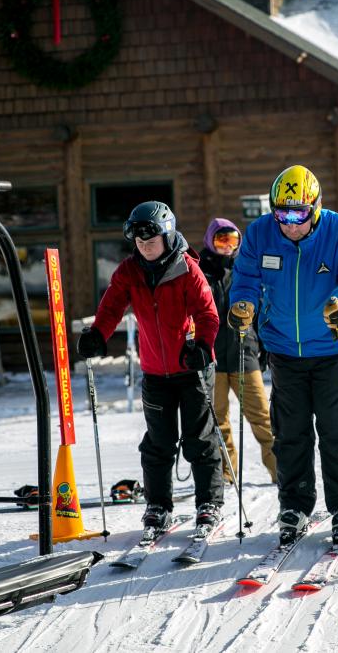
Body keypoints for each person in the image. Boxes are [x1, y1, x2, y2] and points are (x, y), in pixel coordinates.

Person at [229, 165, 338, 545]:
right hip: (282, 349)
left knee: (337, 428)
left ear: (316, 207)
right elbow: (245, 278)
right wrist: (243, 304)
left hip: (332, 347)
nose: (290, 224)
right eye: (282, 214)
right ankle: (293, 505)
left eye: (299, 215)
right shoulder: (261, 233)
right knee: (289, 433)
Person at [76, 201, 223, 533]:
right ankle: (158, 506)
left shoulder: (188, 268)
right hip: (156, 371)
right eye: (139, 242)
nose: (144, 246)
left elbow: (207, 314)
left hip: (192, 367)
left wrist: (203, 346)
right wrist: (98, 334)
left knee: (199, 439)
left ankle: (209, 504)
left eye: (151, 240)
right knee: (158, 442)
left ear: (168, 236)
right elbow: (112, 304)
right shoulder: (129, 271)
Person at [198, 217, 278, 485]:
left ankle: (280, 471)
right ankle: (226, 473)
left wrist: (265, 346)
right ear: (211, 241)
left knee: (261, 417)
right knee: (218, 419)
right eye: (221, 240)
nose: (226, 247)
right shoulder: (200, 272)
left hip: (245, 353)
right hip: (213, 358)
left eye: (232, 240)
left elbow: (260, 310)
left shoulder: (245, 269)